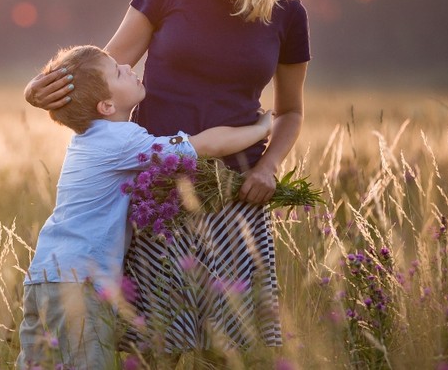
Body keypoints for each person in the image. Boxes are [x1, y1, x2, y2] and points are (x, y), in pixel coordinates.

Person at [24, 0, 310, 359]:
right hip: (158, 196)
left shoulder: (287, 15)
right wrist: (41, 90)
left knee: (235, 351)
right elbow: (103, 72)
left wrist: (268, 167)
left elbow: (290, 111)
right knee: (154, 348)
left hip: (236, 196)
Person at [17, 45, 273, 369]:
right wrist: (261, 129)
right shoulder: (123, 140)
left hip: (43, 276)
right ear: (106, 105)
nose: (127, 66)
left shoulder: (86, 140)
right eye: (117, 71)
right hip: (79, 282)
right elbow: (204, 144)